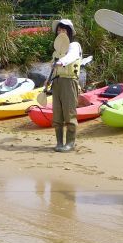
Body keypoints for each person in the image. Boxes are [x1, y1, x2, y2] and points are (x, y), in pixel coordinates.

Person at [50, 19, 83, 152]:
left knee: (69, 113)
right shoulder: (56, 51)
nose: (61, 32)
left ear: (69, 32)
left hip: (69, 82)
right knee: (57, 115)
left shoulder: (74, 45)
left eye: (64, 30)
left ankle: (70, 143)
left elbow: (72, 56)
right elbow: (53, 68)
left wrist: (61, 62)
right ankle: (59, 142)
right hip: (57, 82)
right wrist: (49, 81)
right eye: (59, 30)